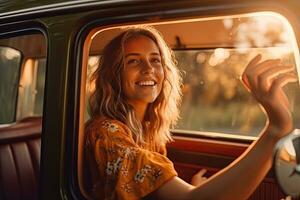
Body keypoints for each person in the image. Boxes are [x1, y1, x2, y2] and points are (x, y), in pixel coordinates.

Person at [84, 25, 298, 200]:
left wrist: (190, 187)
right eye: (133, 60)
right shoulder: (106, 133)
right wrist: (276, 130)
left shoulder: (147, 131)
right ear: (113, 76)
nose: (148, 68)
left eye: (155, 59)